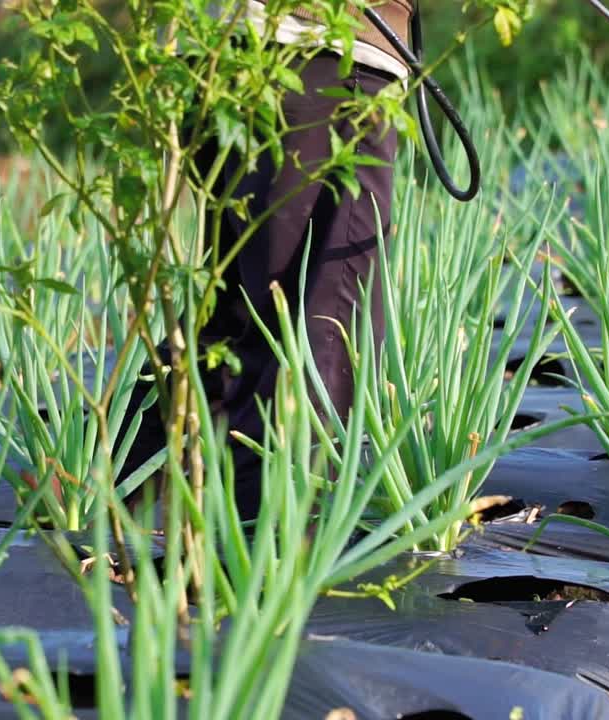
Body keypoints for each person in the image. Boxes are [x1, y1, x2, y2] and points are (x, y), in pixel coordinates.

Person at [120, 1, 414, 519]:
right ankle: (271, 540)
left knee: (237, 312)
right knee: (328, 318)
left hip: (226, 52)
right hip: (316, 48)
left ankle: (114, 500)